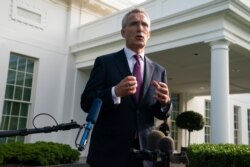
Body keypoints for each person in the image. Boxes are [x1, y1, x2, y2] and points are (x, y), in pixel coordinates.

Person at [81, 8, 173, 167]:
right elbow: (87, 102)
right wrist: (114, 92)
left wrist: (165, 103)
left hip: (145, 155)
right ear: (123, 32)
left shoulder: (159, 70)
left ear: (149, 34)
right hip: (109, 153)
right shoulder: (105, 63)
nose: (140, 28)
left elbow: (158, 113)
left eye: (144, 25)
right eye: (134, 24)